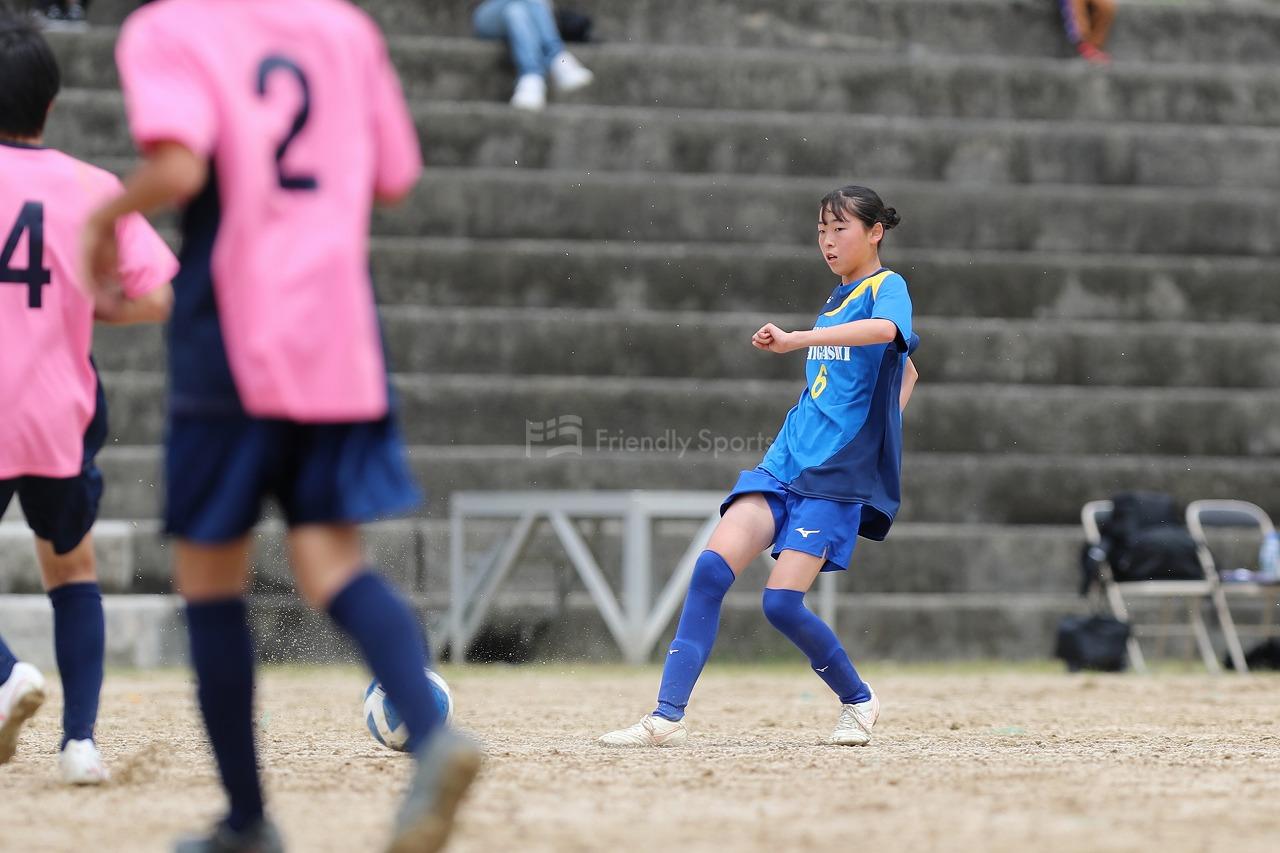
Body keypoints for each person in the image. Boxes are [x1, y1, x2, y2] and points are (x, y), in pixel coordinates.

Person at [82, 0, 479, 850]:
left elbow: (181, 166)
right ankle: (431, 733)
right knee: (333, 562)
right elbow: (395, 178)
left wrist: (103, 219)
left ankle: (247, 820)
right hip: (338, 335)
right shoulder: (345, 29)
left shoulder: (172, 28)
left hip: (230, 335)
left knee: (210, 581)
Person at [600, 185, 920, 748]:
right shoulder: (836, 298)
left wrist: (802, 345)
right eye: (820, 231)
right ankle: (665, 717)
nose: (827, 241)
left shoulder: (885, 287)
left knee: (780, 604)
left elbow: (891, 336)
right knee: (709, 571)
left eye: (839, 229)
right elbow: (906, 370)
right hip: (785, 460)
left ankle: (858, 699)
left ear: (875, 233)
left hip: (834, 477)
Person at [0, 12, 176, 783]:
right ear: (50, 102)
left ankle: (7, 673)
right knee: (72, 570)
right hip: (58, 414)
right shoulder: (91, 187)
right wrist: (96, 303)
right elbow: (159, 296)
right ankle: (79, 745)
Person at [473, 0, 594, 111]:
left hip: (520, 12)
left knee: (516, 11)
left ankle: (531, 77)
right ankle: (556, 57)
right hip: (486, 12)